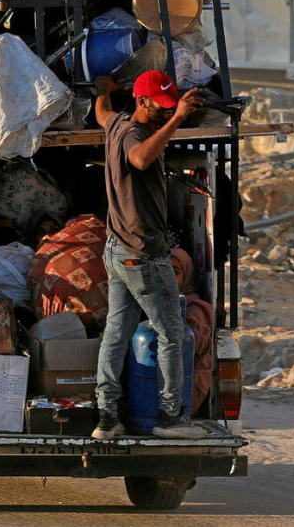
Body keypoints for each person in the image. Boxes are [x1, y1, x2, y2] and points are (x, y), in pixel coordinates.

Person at [92, 70, 207, 440]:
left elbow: (101, 111)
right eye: (162, 107)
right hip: (142, 254)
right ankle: (171, 417)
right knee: (172, 332)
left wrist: (103, 89)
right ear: (142, 101)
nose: (166, 112)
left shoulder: (116, 123)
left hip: (116, 249)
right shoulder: (133, 135)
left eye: (170, 107)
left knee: (116, 333)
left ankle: (107, 417)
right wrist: (177, 120)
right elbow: (140, 159)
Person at [170, 248, 214, 409]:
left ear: (187, 276)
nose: (167, 279)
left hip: (188, 390)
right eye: (162, 272)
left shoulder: (196, 310)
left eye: (174, 273)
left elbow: (188, 348)